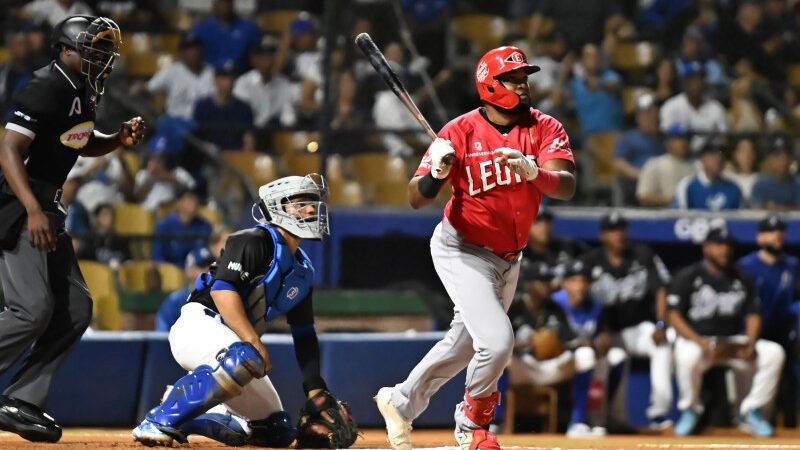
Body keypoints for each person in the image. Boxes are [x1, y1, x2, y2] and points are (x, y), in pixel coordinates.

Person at [374, 46, 576, 450]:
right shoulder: (458, 132)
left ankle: (399, 401)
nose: (523, 85)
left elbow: (567, 184)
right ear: (489, 84)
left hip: (509, 256)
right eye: (513, 78)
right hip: (462, 248)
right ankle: (472, 426)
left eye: (524, 77)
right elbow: (417, 197)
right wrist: (437, 172)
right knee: (498, 341)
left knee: (465, 344)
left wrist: (536, 173)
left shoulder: (545, 127)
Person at [133, 174, 358, 449]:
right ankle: (158, 420)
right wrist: (253, 340)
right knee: (245, 357)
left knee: (275, 431)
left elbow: (304, 334)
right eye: (300, 203)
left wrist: (315, 388)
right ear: (277, 207)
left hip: (235, 346)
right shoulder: (253, 240)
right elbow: (222, 291)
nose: (311, 209)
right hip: (197, 327)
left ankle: (187, 413)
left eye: (312, 202)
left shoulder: (303, 271)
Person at [0, 16, 144, 443]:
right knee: (32, 309)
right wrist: (32, 210)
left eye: (105, 51)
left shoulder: (81, 89)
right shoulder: (47, 85)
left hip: (46, 206)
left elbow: (79, 140)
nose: (102, 58)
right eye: (93, 49)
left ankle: (20, 399)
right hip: (16, 205)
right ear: (65, 50)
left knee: (76, 309)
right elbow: (8, 150)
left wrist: (116, 138)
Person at [668, 225, 785, 437]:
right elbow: (673, 315)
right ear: (706, 248)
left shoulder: (740, 276)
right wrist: (701, 343)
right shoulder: (689, 275)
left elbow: (753, 314)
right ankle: (690, 410)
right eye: (718, 245)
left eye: (727, 245)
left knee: (773, 352)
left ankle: (751, 410)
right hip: (700, 342)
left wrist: (749, 343)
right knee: (685, 355)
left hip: (731, 343)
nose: (724, 250)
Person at [582, 212, 674, 429]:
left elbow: (661, 290)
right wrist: (592, 334)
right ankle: (600, 420)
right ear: (603, 235)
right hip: (604, 331)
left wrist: (661, 324)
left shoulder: (642, 254)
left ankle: (658, 415)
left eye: (622, 229)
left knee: (664, 342)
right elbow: (575, 295)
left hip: (637, 329)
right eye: (613, 230)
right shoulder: (590, 261)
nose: (619, 235)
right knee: (610, 360)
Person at [507, 260, 604, 437]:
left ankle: (578, 422)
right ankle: (494, 421)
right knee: (499, 357)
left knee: (585, 355)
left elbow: (572, 340)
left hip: (550, 369)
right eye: (540, 281)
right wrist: (527, 344)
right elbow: (496, 342)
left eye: (547, 280)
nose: (546, 285)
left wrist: (564, 344)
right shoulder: (514, 307)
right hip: (523, 368)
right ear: (528, 284)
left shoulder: (555, 308)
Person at [738, 214, 798, 427]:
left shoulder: (791, 266)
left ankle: (787, 430)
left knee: (787, 388)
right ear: (759, 237)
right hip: (748, 335)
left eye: (780, 231)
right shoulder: (745, 267)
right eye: (771, 231)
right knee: (745, 390)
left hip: (781, 334)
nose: (777, 236)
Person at [612, 93, 665, 206]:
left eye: (655, 113)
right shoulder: (628, 138)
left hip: (662, 181)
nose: (653, 117)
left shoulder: (665, 138)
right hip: (637, 181)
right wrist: (641, 176)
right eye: (648, 114)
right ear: (638, 118)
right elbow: (619, 163)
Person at [155, 246, 215, 332]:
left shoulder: (220, 297)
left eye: (211, 266)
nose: (207, 270)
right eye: (201, 266)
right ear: (189, 271)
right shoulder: (175, 301)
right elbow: (163, 334)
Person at [673, 137, 742, 211]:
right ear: (702, 158)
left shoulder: (733, 188)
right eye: (712, 153)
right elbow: (678, 217)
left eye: (722, 153)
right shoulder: (687, 186)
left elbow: (743, 218)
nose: (718, 157)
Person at [636, 123, 695, 207]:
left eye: (687, 138)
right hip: (665, 215)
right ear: (668, 142)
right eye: (679, 138)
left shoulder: (698, 165)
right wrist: (674, 201)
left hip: (696, 215)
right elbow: (643, 196)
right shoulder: (655, 164)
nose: (684, 142)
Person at [151, 188, 212, 268]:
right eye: (189, 199)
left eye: (195, 199)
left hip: (196, 272)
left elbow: (206, 252)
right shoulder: (164, 226)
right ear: (179, 203)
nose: (194, 202)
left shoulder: (204, 225)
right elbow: (157, 256)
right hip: (171, 273)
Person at [522, 210, 589, 265]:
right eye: (537, 222)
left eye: (547, 221)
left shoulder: (567, 246)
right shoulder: (518, 253)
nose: (544, 226)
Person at [750, 137, 799, 210]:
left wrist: (780, 208)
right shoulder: (760, 184)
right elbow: (755, 208)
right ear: (769, 159)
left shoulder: (797, 183)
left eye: (786, 156)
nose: (783, 160)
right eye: (777, 156)